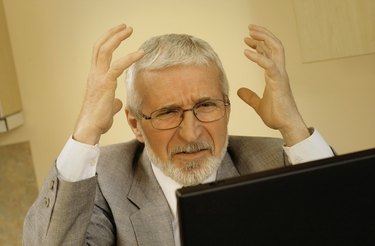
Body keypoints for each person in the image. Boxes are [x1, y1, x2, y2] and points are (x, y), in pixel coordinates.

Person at [23, 24, 334, 245]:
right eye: (167, 113)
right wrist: (86, 130)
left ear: (226, 107)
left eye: (207, 105)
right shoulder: (104, 178)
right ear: (135, 125)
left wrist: (293, 126)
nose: (191, 132)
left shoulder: (277, 163)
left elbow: (350, 228)